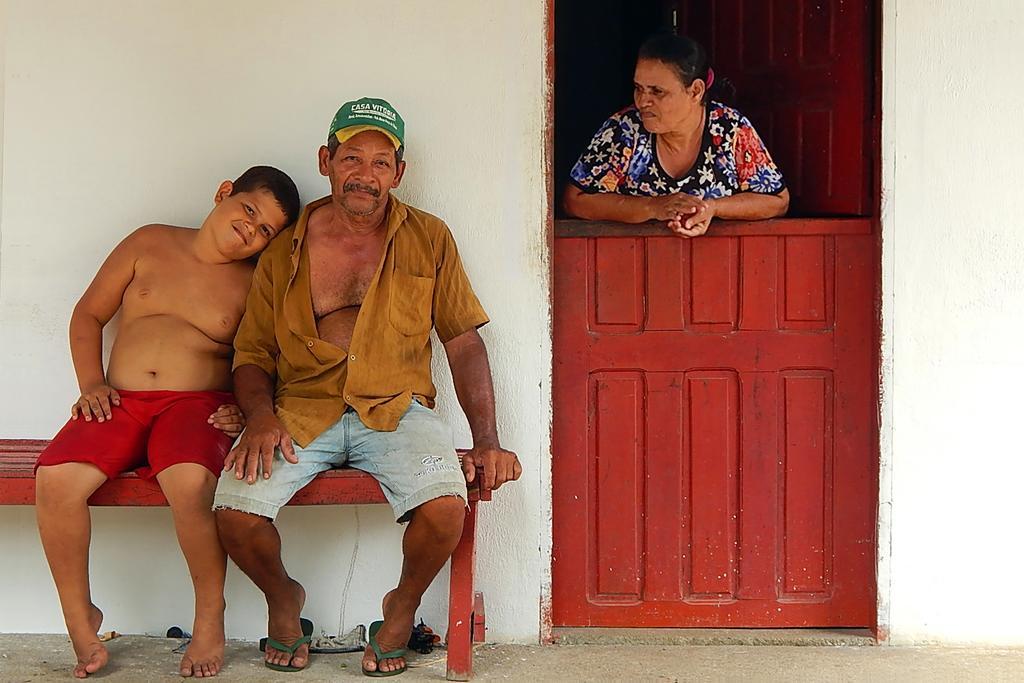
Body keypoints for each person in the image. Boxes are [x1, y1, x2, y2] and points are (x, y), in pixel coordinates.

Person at [212, 97, 521, 676]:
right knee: (235, 510)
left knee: (446, 508)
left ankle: (400, 610)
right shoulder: (284, 251)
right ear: (326, 160)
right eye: (353, 157)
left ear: (399, 174)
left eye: (382, 162)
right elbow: (251, 353)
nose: (366, 174)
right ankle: (285, 601)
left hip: (397, 409)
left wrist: (487, 439)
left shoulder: (429, 238)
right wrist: (259, 417)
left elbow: (462, 340)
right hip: (301, 409)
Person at [34, 166, 301, 679]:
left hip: (195, 404)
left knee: (190, 481)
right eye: (248, 210)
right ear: (224, 193)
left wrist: (246, 412)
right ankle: (79, 614)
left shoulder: (255, 282)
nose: (251, 229)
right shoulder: (149, 241)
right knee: (55, 479)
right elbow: (88, 314)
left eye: (266, 230)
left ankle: (208, 616)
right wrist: (91, 385)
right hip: (120, 399)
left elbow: (269, 357)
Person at [563, 33, 790, 237]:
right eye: (638, 88)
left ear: (695, 91)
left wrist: (712, 208)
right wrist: (653, 207)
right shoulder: (624, 130)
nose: (642, 101)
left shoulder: (730, 129)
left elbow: (777, 201)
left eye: (657, 91)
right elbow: (575, 200)